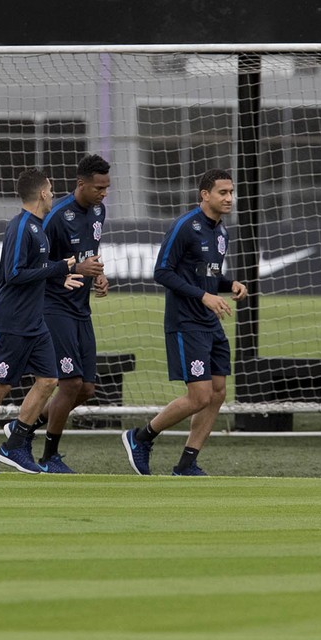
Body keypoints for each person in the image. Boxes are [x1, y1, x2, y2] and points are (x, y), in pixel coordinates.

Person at [121, 168, 247, 476]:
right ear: (205, 195)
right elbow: (162, 272)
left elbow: (208, 276)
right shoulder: (185, 226)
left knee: (217, 392)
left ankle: (187, 463)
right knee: (199, 395)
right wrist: (204, 297)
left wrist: (229, 285)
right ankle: (140, 437)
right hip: (185, 322)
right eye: (223, 192)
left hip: (209, 322)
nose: (229, 198)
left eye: (231, 192)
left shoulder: (221, 232)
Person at [0, 169, 81, 474]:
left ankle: (15, 444)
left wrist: (56, 278)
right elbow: (14, 275)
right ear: (41, 193)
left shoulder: (38, 227)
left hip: (33, 321)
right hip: (10, 320)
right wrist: (57, 269)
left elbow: (35, 271)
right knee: (0, 386)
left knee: (49, 379)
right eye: (51, 189)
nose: (53, 194)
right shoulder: (22, 226)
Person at [5, 154, 110, 473]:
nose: (103, 194)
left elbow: (90, 252)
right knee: (70, 382)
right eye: (98, 188)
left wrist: (98, 275)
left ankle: (23, 425)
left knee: (87, 389)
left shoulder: (98, 211)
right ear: (81, 184)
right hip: (53, 307)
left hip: (80, 309)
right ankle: (49, 456)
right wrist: (72, 269)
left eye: (107, 188)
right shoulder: (55, 216)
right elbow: (37, 263)